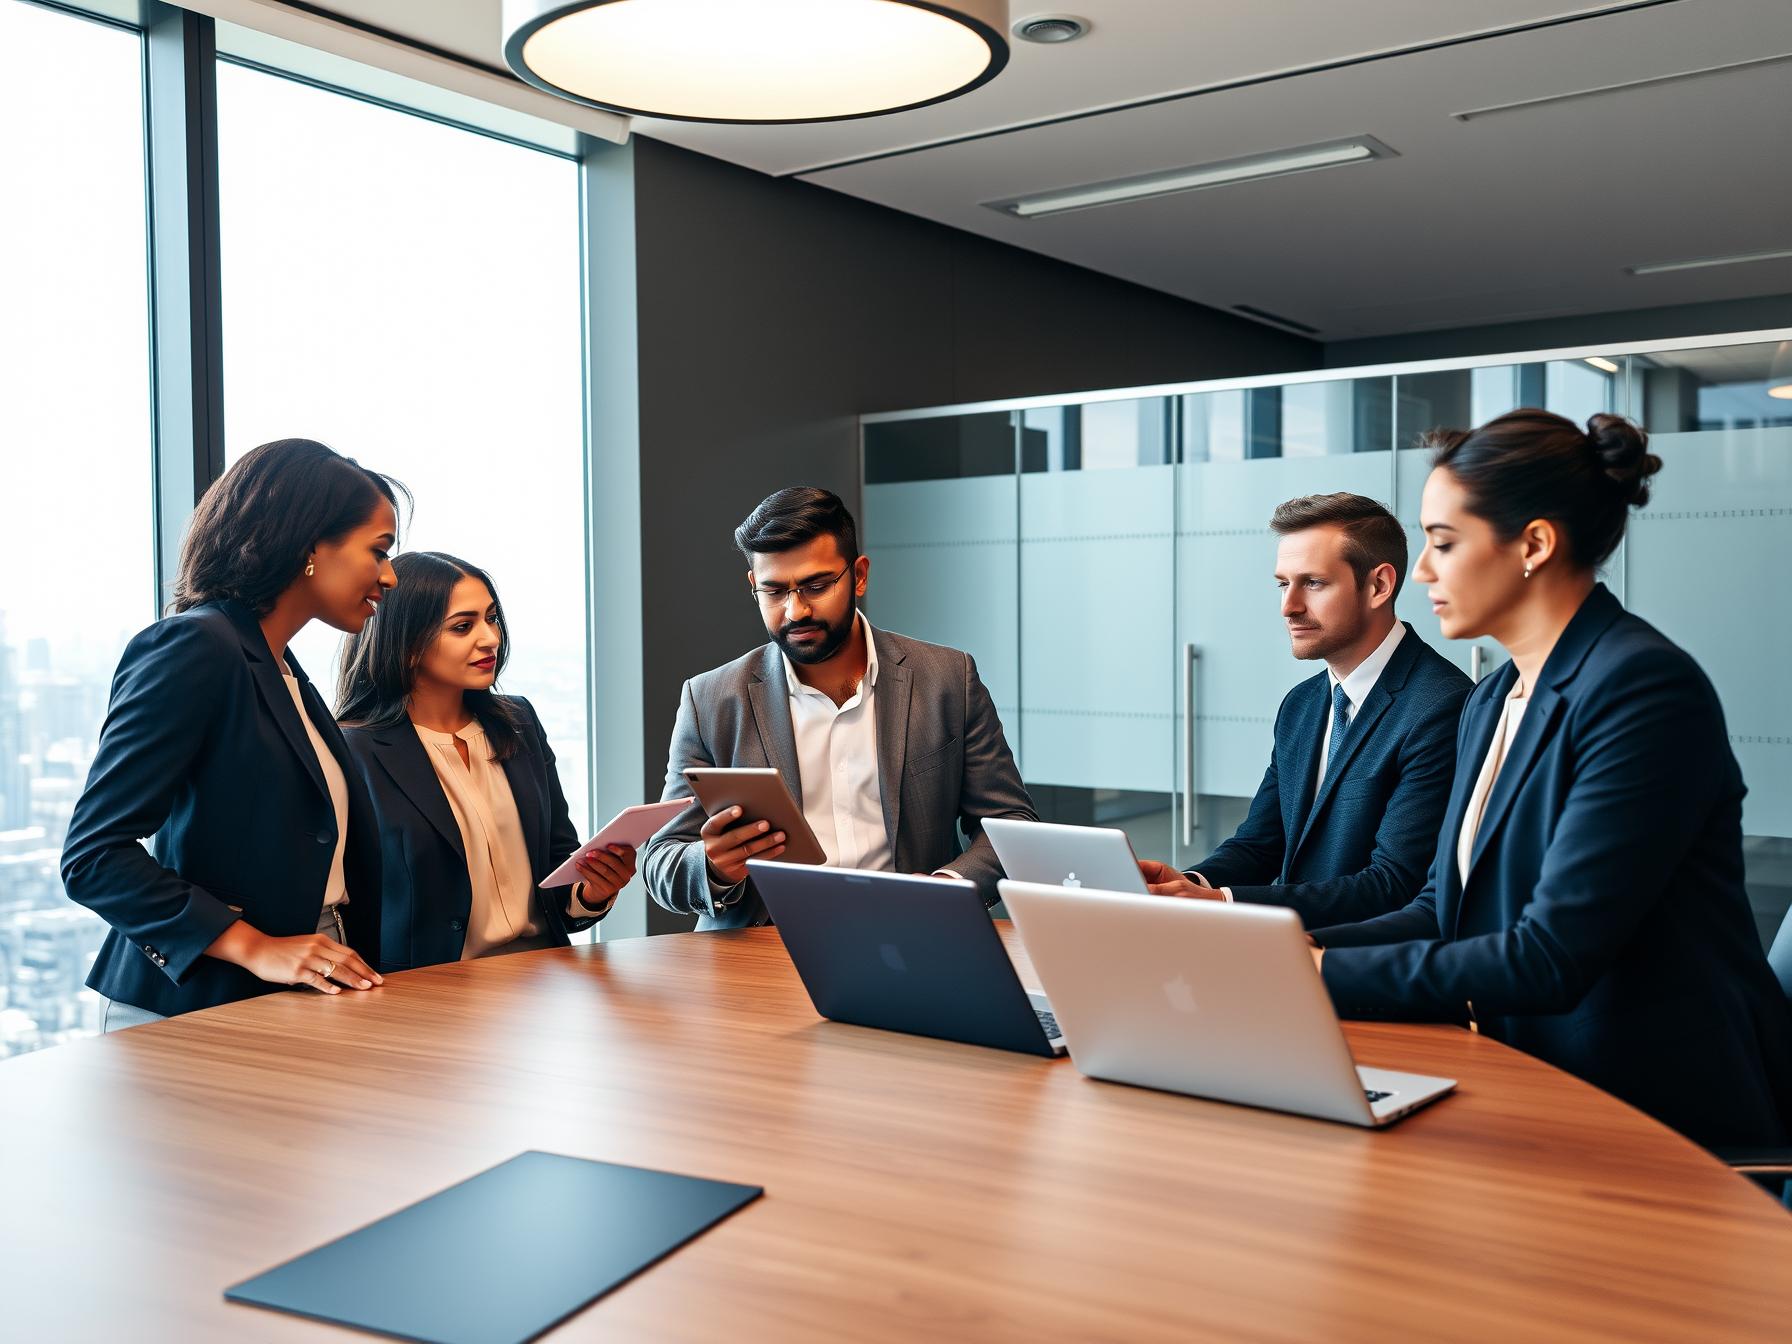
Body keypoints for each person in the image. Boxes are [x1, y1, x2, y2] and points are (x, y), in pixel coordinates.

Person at [1310, 410, 1792, 1149]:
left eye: (1443, 543)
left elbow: (1549, 956)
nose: (1425, 572)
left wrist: (1312, 976)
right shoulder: (1490, 700)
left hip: (1651, 1114)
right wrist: (1276, 948)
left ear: (1534, 544)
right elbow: (1445, 906)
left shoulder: (1642, 688)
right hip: (1524, 1075)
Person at [61, 439, 400, 1026]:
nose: (390, 576)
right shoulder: (197, 646)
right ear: (311, 545)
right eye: (379, 550)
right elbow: (94, 856)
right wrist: (255, 946)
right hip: (197, 999)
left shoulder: (284, 671)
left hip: (301, 988)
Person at [643, 486, 1035, 929]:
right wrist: (712, 866)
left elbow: (1010, 823)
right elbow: (661, 860)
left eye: (816, 585)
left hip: (913, 937)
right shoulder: (711, 699)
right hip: (764, 954)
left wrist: (947, 886)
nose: (796, 610)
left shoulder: (947, 679)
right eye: (775, 592)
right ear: (754, 586)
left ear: (860, 575)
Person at [1139, 493, 1472, 928]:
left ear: (1379, 586)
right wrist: (1187, 885)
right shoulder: (1302, 704)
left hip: (1365, 975)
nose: (1288, 606)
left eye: (1313, 583)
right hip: (1284, 957)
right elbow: (1260, 844)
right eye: (1283, 583)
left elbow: (1394, 886)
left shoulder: (1442, 706)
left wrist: (1219, 901)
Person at [337, 552, 630, 968]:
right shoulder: (353, 750)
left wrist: (591, 892)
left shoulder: (519, 722)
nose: (490, 637)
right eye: (463, 626)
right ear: (406, 645)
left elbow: (557, 866)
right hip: (429, 995)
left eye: (491, 618)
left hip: (544, 978)